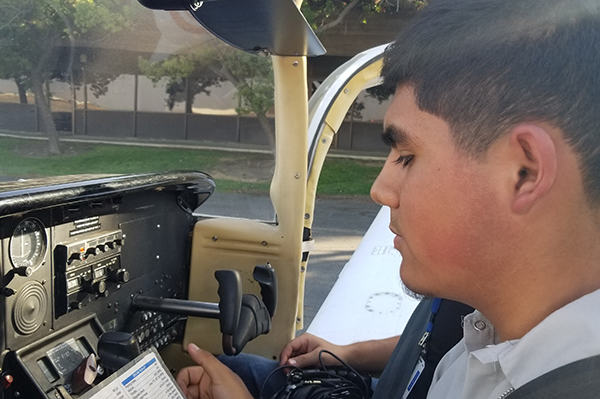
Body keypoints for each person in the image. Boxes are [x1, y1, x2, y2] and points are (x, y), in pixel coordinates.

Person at [176, 0, 600, 397]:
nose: (379, 190)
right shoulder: (487, 326)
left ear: (524, 173)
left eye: (407, 156)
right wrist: (351, 351)